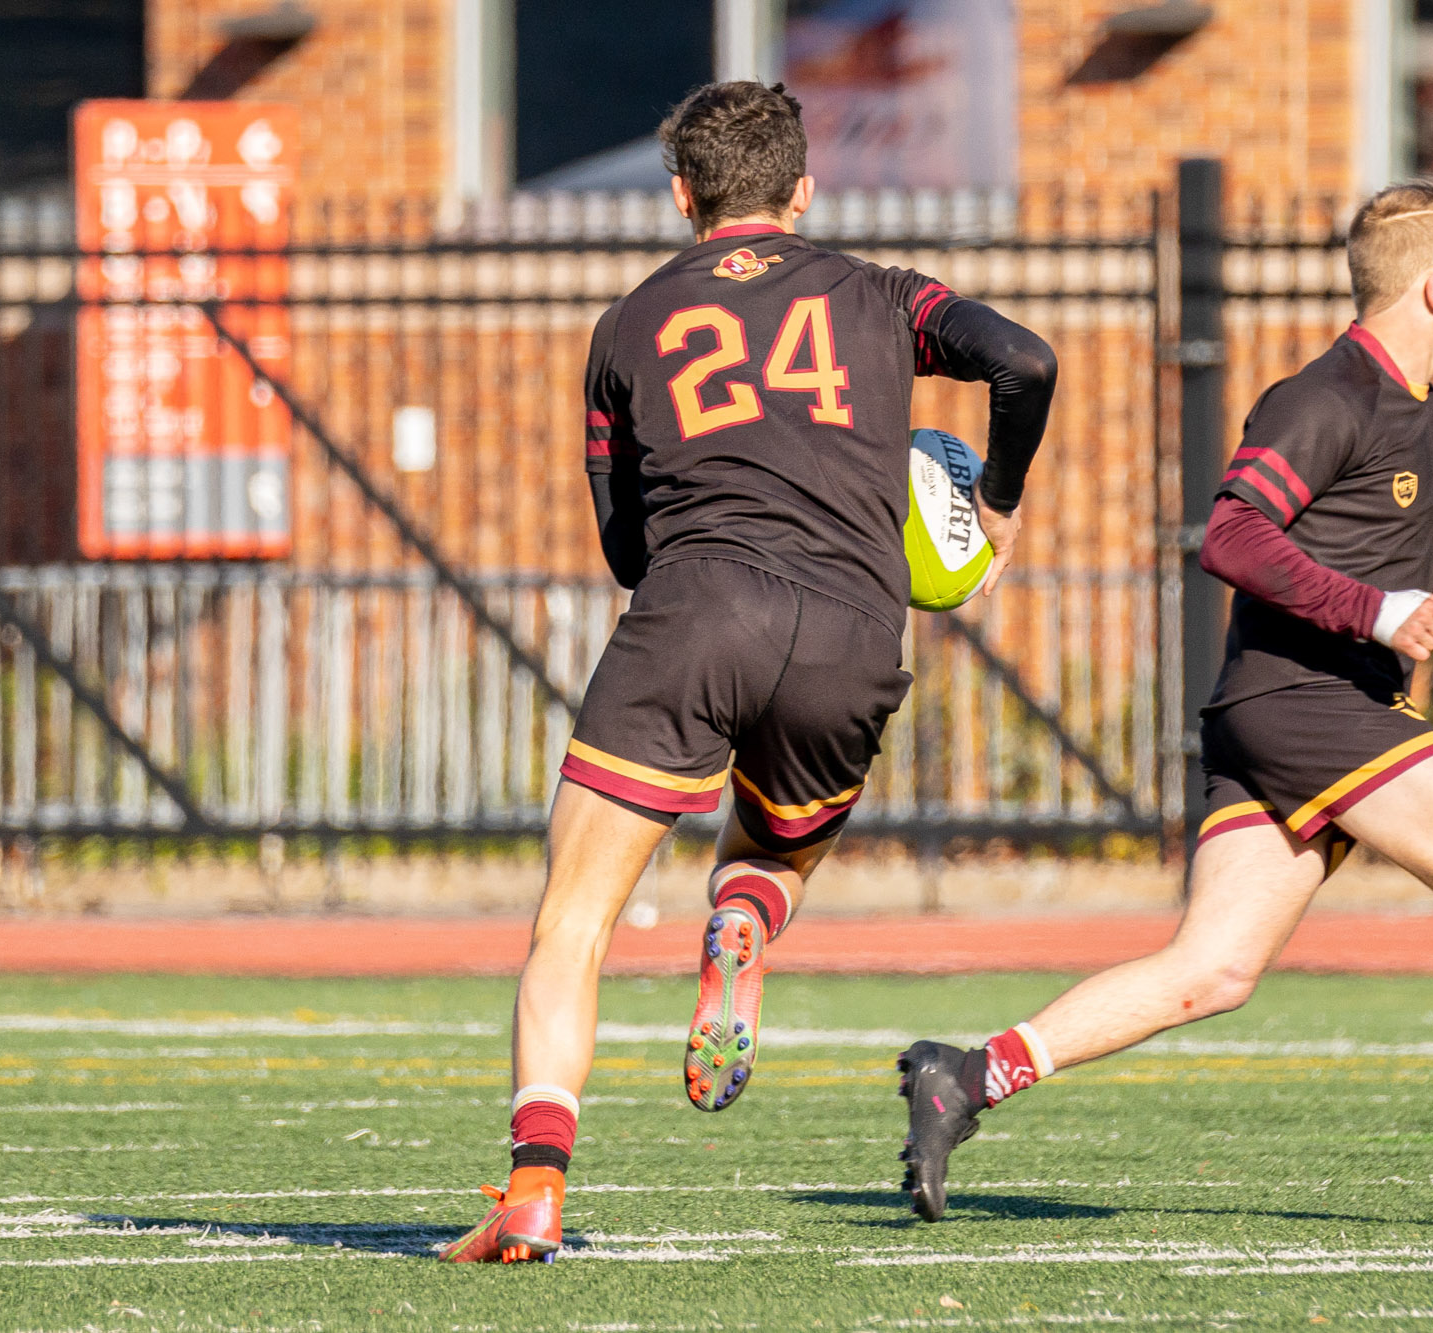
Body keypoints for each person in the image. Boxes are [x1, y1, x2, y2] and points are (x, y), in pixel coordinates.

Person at [897, 181, 1433, 1227]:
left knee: (1210, 970)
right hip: (1306, 701)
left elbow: (1380, 562)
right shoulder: (1323, 396)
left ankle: (965, 1076)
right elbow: (1232, 536)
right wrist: (1376, 614)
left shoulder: (1429, 420)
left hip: (1284, 707)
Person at [440, 81, 1057, 1263]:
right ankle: (741, 917)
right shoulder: (882, 297)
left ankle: (532, 1189)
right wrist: (994, 501)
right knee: (776, 846)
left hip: (694, 611)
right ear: (803, 192)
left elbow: (626, 548)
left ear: (681, 195)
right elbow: (1020, 361)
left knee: (571, 916)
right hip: (851, 629)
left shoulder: (628, 324)